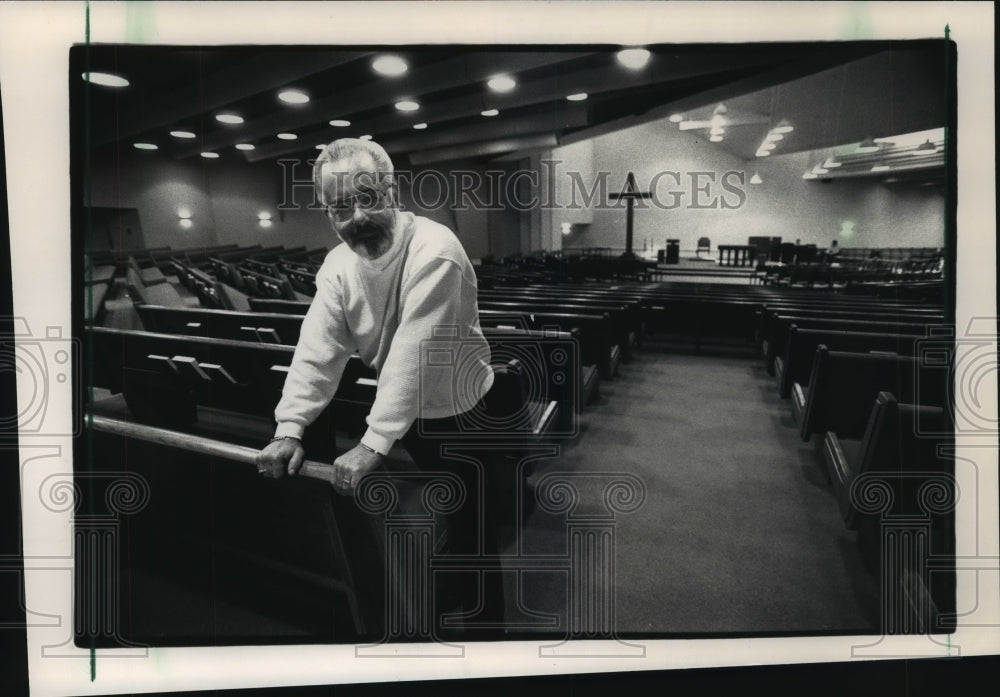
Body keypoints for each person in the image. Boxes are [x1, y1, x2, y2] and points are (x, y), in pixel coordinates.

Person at [255, 138, 502, 638]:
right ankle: (447, 596)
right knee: (447, 505)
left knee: (472, 517)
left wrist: (372, 441)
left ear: (392, 191)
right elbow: (316, 350)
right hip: (408, 403)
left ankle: (484, 625)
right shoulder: (338, 267)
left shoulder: (436, 251)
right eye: (341, 207)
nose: (357, 217)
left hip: (463, 403)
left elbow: (416, 351)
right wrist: (289, 427)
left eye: (368, 197)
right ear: (328, 213)